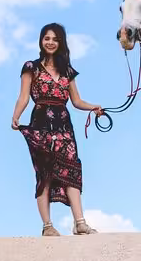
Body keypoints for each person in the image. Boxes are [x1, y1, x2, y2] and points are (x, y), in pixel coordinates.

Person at [11, 22, 104, 236]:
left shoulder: (67, 71)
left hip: (64, 124)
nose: (50, 42)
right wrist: (16, 116)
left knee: (71, 169)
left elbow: (77, 101)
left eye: (55, 39)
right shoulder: (30, 67)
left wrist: (94, 107)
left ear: (60, 42)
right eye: (47, 38)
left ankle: (80, 223)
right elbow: (24, 97)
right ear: (41, 41)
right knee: (45, 173)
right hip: (41, 123)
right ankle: (47, 226)